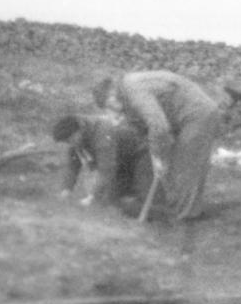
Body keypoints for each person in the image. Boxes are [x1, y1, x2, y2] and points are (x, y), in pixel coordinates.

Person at [94, 70, 223, 221]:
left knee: (187, 167)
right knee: (174, 167)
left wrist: (157, 156)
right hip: (178, 117)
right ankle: (175, 206)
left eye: (109, 105)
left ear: (111, 95)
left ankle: (187, 217)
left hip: (197, 115)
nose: (114, 111)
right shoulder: (126, 94)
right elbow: (143, 126)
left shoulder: (133, 89)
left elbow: (158, 125)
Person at [51, 112, 147, 208]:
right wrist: (66, 190)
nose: (70, 144)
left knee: (129, 204)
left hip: (139, 159)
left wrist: (91, 197)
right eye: (67, 142)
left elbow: (107, 170)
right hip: (119, 162)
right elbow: (73, 166)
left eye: (70, 140)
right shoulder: (80, 133)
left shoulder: (102, 132)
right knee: (106, 201)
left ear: (79, 130)